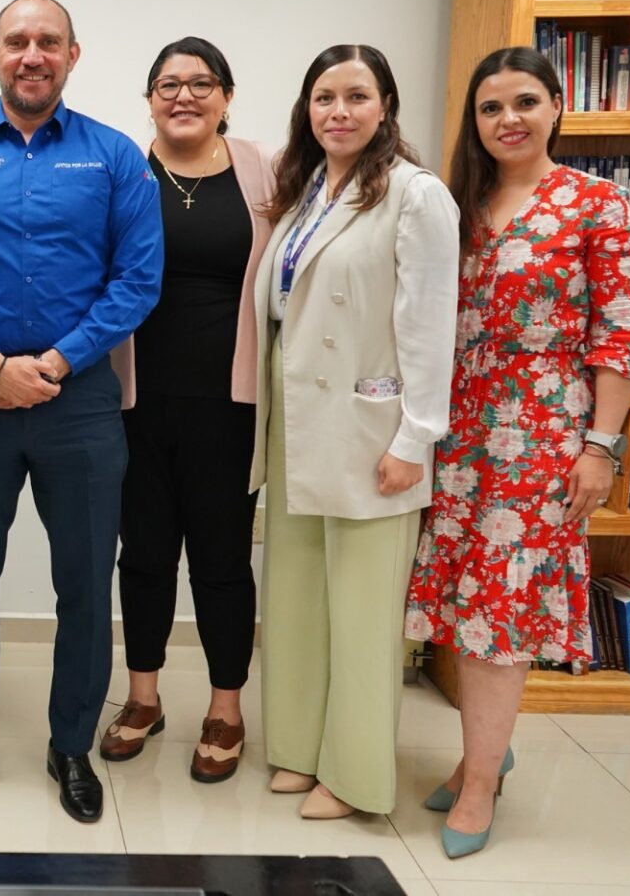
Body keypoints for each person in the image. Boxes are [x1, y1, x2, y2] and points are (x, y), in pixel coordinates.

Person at [0, 0, 163, 823]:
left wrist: (51, 362)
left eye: (49, 41)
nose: (32, 54)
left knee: (84, 584)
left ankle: (70, 745)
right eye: (18, 41)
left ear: (73, 56)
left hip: (79, 405)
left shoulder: (117, 158)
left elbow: (137, 281)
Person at [405, 47, 630, 857]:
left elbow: (618, 334)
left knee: (501, 614)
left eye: (524, 102)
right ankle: (484, 751)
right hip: (459, 430)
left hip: (541, 436)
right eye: (490, 107)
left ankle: (479, 783)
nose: (508, 119)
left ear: (556, 106)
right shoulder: (457, 204)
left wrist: (600, 447)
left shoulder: (594, 202)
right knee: (463, 611)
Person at [251, 44, 459, 820]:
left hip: (374, 429)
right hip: (299, 419)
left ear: (385, 106)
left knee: (365, 611)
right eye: (323, 96)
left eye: (356, 96)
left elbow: (431, 321)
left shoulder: (415, 193)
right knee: (298, 593)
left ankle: (356, 772)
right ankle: (300, 748)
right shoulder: (305, 190)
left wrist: (416, 437)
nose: (338, 111)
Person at [102, 37, 274, 783]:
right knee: (141, 556)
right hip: (134, 403)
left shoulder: (264, 170)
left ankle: (226, 707)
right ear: (149, 99)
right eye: (167, 83)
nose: (184, 95)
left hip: (231, 406)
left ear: (226, 96)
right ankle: (143, 698)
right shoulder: (120, 171)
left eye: (201, 82)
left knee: (222, 561)